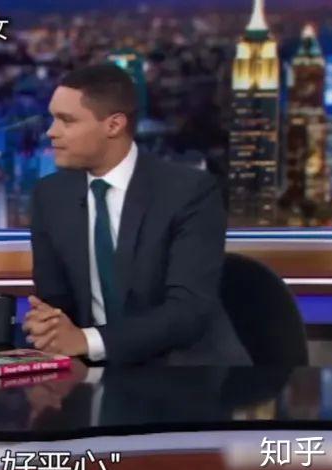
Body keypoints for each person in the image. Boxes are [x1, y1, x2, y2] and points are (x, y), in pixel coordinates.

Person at [22, 63, 252, 366]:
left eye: (67, 120)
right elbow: (56, 301)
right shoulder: (50, 196)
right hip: (93, 371)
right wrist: (48, 325)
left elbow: (187, 312)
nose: (51, 132)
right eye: (53, 119)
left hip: (187, 372)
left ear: (114, 125)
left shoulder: (189, 192)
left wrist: (88, 340)